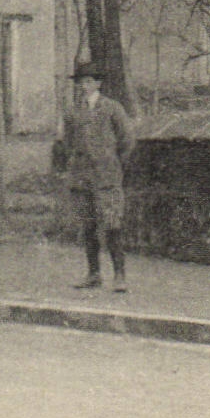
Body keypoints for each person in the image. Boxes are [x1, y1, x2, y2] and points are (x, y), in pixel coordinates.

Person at [64, 62, 134, 292]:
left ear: (98, 83)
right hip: (82, 175)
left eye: (88, 82)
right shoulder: (73, 111)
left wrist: (113, 162)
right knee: (88, 226)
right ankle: (93, 274)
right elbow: (68, 142)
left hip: (106, 176)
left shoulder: (112, 108)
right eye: (80, 82)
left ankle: (120, 276)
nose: (84, 86)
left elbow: (127, 140)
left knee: (113, 224)